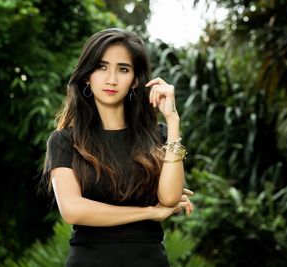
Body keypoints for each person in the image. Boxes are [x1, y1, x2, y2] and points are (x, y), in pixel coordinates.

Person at [42, 28, 194, 267]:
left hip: (149, 260)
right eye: (101, 67)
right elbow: (73, 210)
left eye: (123, 69)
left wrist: (173, 121)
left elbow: (170, 197)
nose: (111, 79)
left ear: (135, 80)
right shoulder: (64, 141)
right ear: (86, 75)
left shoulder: (159, 136)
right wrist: (148, 213)